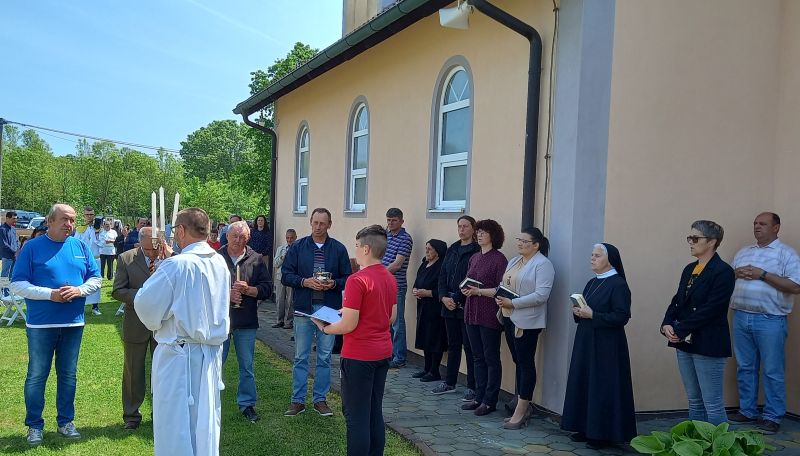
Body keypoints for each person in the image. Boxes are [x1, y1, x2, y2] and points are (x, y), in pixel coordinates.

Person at [134, 208, 230, 456]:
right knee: (205, 423)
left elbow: (146, 304)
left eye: (175, 229)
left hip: (179, 357)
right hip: (209, 354)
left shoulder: (176, 265)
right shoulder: (219, 262)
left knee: (175, 424)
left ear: (181, 230)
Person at [10, 204, 102, 445]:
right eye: (64, 219)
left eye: (72, 220)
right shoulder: (32, 247)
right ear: (49, 221)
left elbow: (96, 278)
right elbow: (17, 284)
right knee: (37, 375)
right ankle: (34, 425)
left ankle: (65, 422)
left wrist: (79, 290)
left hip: (73, 324)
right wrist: (50, 294)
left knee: (68, 375)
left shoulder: (80, 247)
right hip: (41, 325)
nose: (69, 224)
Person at [311, 225, 397, 456]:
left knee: (356, 416)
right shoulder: (389, 277)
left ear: (366, 249)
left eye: (357, 246)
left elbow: (348, 325)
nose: (355, 250)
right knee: (373, 411)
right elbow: (391, 316)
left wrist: (325, 327)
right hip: (383, 351)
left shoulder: (357, 279)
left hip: (359, 355)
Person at [728, 212, 800, 434]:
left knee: (772, 370)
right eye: (755, 223)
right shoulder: (743, 252)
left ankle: (772, 416)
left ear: (776, 227)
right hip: (741, 316)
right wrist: (735, 273)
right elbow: (727, 279)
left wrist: (762, 274)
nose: (757, 227)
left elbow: (795, 286)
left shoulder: (786, 253)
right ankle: (747, 411)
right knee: (745, 367)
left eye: (763, 224)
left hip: (770, 319)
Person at [561, 243, 636, 449]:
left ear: (610, 260)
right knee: (586, 381)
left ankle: (602, 433)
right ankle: (585, 427)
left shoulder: (618, 284)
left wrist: (593, 315)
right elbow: (587, 310)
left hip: (607, 345)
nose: (592, 258)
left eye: (597, 256)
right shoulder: (592, 282)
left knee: (602, 385)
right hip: (586, 340)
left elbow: (621, 316)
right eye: (592, 255)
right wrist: (579, 312)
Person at [661, 220, 734, 426]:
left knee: (712, 403)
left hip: (708, 342)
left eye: (695, 238)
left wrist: (680, 329)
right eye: (689, 238)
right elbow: (678, 300)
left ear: (712, 241)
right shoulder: (689, 269)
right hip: (685, 341)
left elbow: (712, 309)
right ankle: (697, 441)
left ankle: (719, 442)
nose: (690, 242)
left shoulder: (723, 271)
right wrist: (667, 324)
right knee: (694, 400)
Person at [281, 208, 351, 417]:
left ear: (330, 224)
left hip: (328, 309)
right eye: (315, 222)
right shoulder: (298, 247)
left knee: (325, 356)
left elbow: (348, 278)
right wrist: (305, 282)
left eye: (322, 223)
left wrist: (333, 284)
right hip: (304, 308)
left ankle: (320, 399)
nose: (318, 227)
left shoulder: (338, 249)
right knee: (300, 356)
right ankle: (297, 400)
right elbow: (286, 275)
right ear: (310, 222)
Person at [496, 227, 554, 429]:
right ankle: (521, 404)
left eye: (524, 241)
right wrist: (500, 297)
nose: (519, 243)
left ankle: (522, 410)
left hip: (527, 322)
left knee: (526, 363)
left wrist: (513, 303)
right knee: (518, 362)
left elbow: (541, 296)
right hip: (508, 317)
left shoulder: (543, 264)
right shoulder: (515, 260)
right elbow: (505, 284)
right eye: (518, 239)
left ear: (536, 245)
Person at [217, 221, 272, 423]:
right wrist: (227, 295)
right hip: (220, 320)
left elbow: (267, 288)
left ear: (248, 238)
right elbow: (206, 289)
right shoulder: (216, 258)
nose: (238, 241)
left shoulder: (255, 259)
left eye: (242, 237)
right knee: (215, 363)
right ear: (227, 236)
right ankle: (211, 401)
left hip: (246, 321)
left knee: (247, 366)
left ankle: (247, 404)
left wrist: (249, 290)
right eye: (234, 236)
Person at [112, 226, 160, 431]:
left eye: (154, 249)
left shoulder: (169, 258)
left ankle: (161, 412)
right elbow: (117, 291)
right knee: (133, 370)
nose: (152, 254)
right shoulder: (126, 259)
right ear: (139, 243)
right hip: (136, 322)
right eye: (147, 250)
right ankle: (131, 415)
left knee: (163, 371)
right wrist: (142, 296)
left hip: (162, 324)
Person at [460, 219, 508, 416]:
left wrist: (478, 291)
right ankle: (478, 397)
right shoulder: (474, 257)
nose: (479, 235)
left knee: (490, 358)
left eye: (484, 232)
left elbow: (501, 289)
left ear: (493, 236)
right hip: (471, 312)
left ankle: (490, 400)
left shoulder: (499, 259)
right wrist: (466, 289)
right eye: (478, 231)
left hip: (489, 314)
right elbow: (469, 281)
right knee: (477, 357)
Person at [432, 216, 479, 399]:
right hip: (448, 304)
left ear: (473, 229)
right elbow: (443, 274)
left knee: (470, 347)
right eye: (459, 226)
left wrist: (457, 298)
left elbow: (472, 278)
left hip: (465, 305)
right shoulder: (452, 249)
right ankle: (450, 382)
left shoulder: (476, 250)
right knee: (453, 345)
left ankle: (472, 386)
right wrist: (443, 296)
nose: (461, 230)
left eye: (465, 226)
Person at [410, 239, 448, 383]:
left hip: (435, 308)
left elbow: (443, 288)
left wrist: (428, 293)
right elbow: (417, 281)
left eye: (430, 249)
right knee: (425, 337)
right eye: (426, 248)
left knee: (435, 339)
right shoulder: (424, 263)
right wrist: (415, 290)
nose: (426, 251)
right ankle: (426, 368)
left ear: (438, 252)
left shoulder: (441, 266)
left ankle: (434, 370)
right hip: (423, 306)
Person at [382, 208, 413, 369]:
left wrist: (377, 274)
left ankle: (400, 357)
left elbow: (397, 264)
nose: (390, 223)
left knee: (397, 322)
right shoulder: (385, 236)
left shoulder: (405, 239)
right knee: (385, 321)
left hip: (396, 285)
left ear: (401, 221)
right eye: (388, 220)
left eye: (394, 220)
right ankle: (388, 353)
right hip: (383, 284)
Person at [76, 207, 102, 315]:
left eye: (91, 214)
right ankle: (80, 305)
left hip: (96, 259)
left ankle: (95, 306)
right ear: (84, 216)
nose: (89, 216)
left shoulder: (99, 228)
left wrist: (97, 232)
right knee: (82, 281)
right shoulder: (80, 229)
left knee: (95, 281)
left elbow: (102, 243)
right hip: (83, 259)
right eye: (87, 214)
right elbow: (77, 243)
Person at [273, 228, 298, 329]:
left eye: (291, 238)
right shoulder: (281, 249)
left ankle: (288, 322)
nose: (289, 240)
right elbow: (275, 264)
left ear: (295, 238)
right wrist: (282, 257)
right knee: (279, 299)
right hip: (280, 277)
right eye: (287, 238)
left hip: (291, 277)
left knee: (290, 300)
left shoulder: (298, 249)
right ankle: (279, 320)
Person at [1, 211, 20, 279]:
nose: (15, 220)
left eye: (16, 218)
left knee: (12, 276)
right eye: (13, 218)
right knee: (5, 276)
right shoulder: (2, 229)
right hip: (7, 256)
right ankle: (3, 286)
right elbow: (4, 244)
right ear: (7, 218)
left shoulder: (13, 229)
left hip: (15, 256)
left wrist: (18, 250)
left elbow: (17, 241)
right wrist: (15, 252)